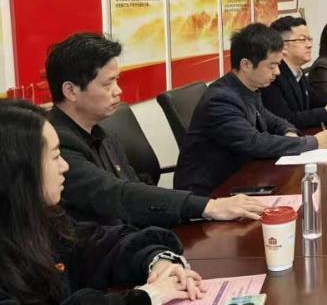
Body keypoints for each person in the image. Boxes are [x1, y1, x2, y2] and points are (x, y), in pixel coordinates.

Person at [0, 100, 206, 305]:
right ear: (18, 170)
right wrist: (138, 301)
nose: (65, 166)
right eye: (55, 156)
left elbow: (98, 244)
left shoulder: (36, 219)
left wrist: (157, 259)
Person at [46, 33, 267, 227]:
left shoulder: (101, 132)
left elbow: (134, 186)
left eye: (117, 81)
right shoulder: (55, 145)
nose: (118, 91)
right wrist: (208, 207)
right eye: (108, 84)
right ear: (71, 91)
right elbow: (117, 194)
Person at [174, 24, 327, 196]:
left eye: (278, 65)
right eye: (272, 66)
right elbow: (255, 142)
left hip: (242, 177)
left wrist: (288, 132)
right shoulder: (221, 99)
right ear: (246, 64)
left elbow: (274, 120)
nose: (277, 72)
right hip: (210, 193)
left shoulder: (248, 89)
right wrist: (312, 142)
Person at [262, 16, 327, 130]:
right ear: (283, 46)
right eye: (302, 40)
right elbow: (285, 119)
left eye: (309, 39)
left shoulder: (297, 70)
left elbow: (314, 100)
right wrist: (326, 113)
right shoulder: (273, 76)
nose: (309, 45)